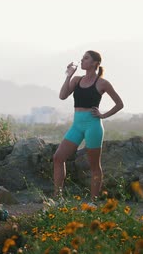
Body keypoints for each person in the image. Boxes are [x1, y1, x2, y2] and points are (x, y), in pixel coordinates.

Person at [54, 50, 124, 201]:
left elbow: (119, 104)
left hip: (93, 126)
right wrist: (69, 75)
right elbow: (62, 96)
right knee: (58, 157)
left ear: (94, 63)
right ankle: (57, 199)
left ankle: (93, 203)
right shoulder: (77, 80)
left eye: (86, 58)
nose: (82, 60)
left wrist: (103, 115)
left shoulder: (102, 83)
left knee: (94, 166)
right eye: (82, 58)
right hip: (77, 126)